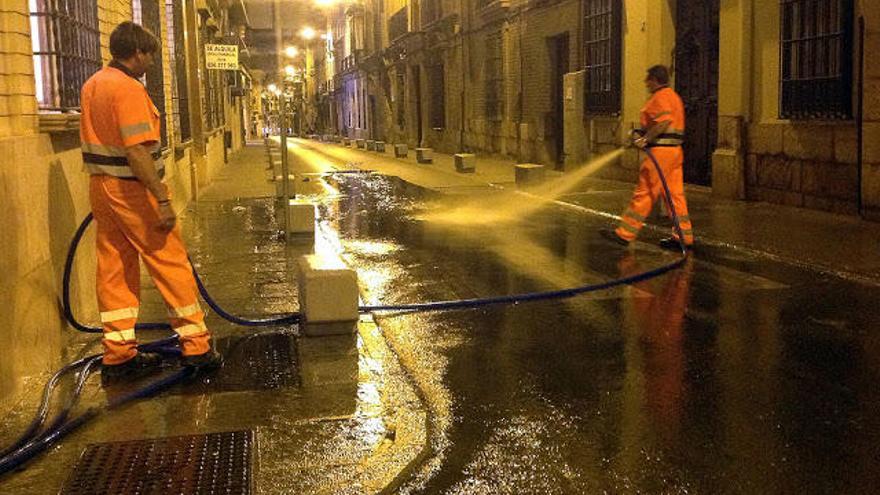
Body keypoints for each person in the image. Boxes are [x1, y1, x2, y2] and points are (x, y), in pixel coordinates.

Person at [80, 22, 221, 382]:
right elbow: (137, 151)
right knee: (169, 262)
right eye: (151, 55)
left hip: (102, 188)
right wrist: (160, 197)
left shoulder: (93, 84)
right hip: (133, 189)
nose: (152, 63)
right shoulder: (127, 89)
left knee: (114, 268)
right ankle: (196, 347)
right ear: (138, 52)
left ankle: (118, 354)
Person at [601, 65, 694, 250]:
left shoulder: (660, 97)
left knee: (645, 192)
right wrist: (641, 134)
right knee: (674, 196)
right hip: (675, 153)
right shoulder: (674, 97)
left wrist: (646, 139)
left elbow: (663, 121)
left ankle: (624, 234)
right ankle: (683, 237)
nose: (645, 83)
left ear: (655, 80)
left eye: (647, 79)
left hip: (660, 154)